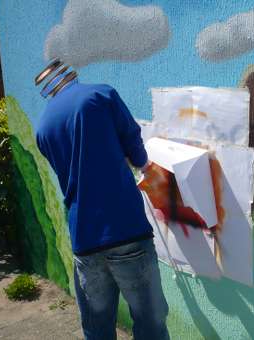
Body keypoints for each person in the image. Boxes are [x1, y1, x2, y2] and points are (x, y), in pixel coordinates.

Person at [34, 60, 170, 340]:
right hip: (126, 231)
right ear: (71, 74)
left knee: (97, 329)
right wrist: (144, 168)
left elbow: (70, 171)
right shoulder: (100, 95)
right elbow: (134, 146)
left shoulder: (43, 127)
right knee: (151, 324)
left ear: (47, 90)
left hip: (84, 241)